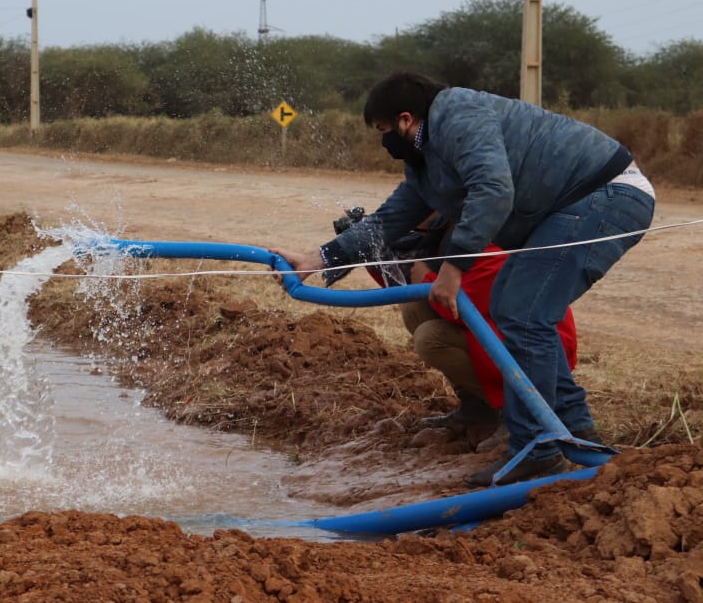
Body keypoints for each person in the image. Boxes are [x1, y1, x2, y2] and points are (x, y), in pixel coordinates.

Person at [273, 71, 656, 486]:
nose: (385, 143)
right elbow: (389, 220)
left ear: (405, 120)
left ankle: (538, 448)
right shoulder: (428, 164)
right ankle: (577, 434)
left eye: (384, 131)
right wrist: (319, 258)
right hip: (580, 203)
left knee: (524, 314)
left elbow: (492, 189)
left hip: (605, 195)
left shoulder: (457, 114)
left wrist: (452, 268)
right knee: (519, 312)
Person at [334, 209, 580, 452]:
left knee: (430, 339)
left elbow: (468, 304)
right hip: (495, 332)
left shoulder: (490, 237)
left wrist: (426, 279)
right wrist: (372, 254)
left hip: (537, 350)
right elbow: (403, 285)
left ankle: (519, 414)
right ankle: (477, 409)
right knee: (414, 308)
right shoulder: (451, 228)